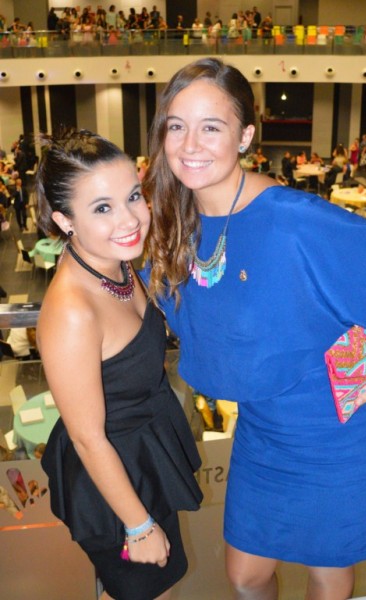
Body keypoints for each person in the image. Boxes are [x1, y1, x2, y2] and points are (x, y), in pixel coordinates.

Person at [142, 58, 366, 600]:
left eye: (211, 127)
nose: (190, 144)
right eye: (177, 126)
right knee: (245, 575)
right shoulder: (178, 219)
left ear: (245, 136)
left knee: (328, 571)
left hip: (335, 429)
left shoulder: (292, 218)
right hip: (263, 427)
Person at [36, 130, 202, 600]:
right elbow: (88, 438)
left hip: (145, 458)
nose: (129, 219)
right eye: (102, 208)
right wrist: (139, 524)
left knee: (157, 587)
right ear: (65, 220)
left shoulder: (117, 261)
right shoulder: (72, 311)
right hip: (112, 481)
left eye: (132, 196)